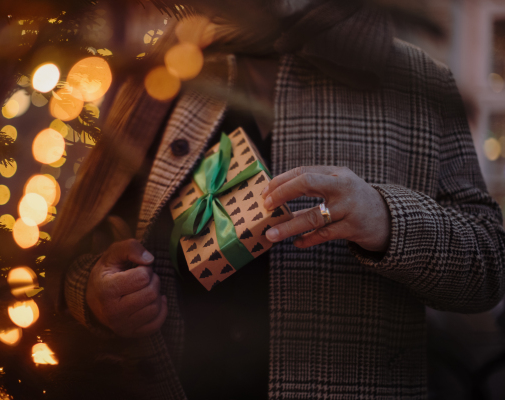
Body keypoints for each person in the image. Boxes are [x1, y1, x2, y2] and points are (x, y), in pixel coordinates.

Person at [48, 1, 505, 399]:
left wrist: (387, 219)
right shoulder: (162, 78)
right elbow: (72, 255)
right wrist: (94, 293)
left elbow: (490, 268)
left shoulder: (418, 81)